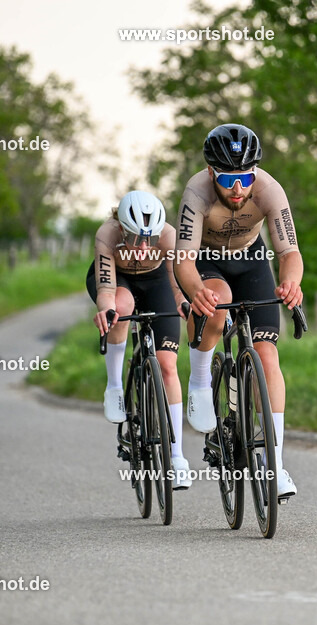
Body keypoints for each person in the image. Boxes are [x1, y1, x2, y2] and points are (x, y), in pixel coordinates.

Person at [173, 123, 304, 499]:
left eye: (246, 177)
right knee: (217, 301)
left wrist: (291, 282)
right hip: (207, 260)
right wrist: (196, 291)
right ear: (212, 172)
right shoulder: (196, 192)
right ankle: (200, 381)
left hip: (251, 259)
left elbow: (289, 252)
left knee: (267, 356)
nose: (238, 188)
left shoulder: (269, 190)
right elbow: (182, 259)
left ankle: (275, 467)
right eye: (229, 178)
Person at [87, 190, 193, 489]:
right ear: (121, 227)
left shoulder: (169, 237)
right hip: (118, 282)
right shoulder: (107, 234)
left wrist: (183, 304)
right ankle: (114, 386)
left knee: (167, 366)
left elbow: (176, 286)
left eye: (151, 239)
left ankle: (177, 458)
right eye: (135, 239)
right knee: (122, 307)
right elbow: (106, 289)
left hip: (158, 281)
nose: (144, 246)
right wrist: (106, 310)